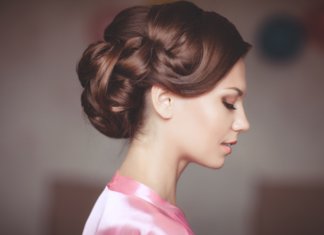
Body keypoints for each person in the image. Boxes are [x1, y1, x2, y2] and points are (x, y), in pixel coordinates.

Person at [77, 1, 251, 234]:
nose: (244, 123)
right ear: (165, 100)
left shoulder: (122, 205)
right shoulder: (146, 226)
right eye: (228, 102)